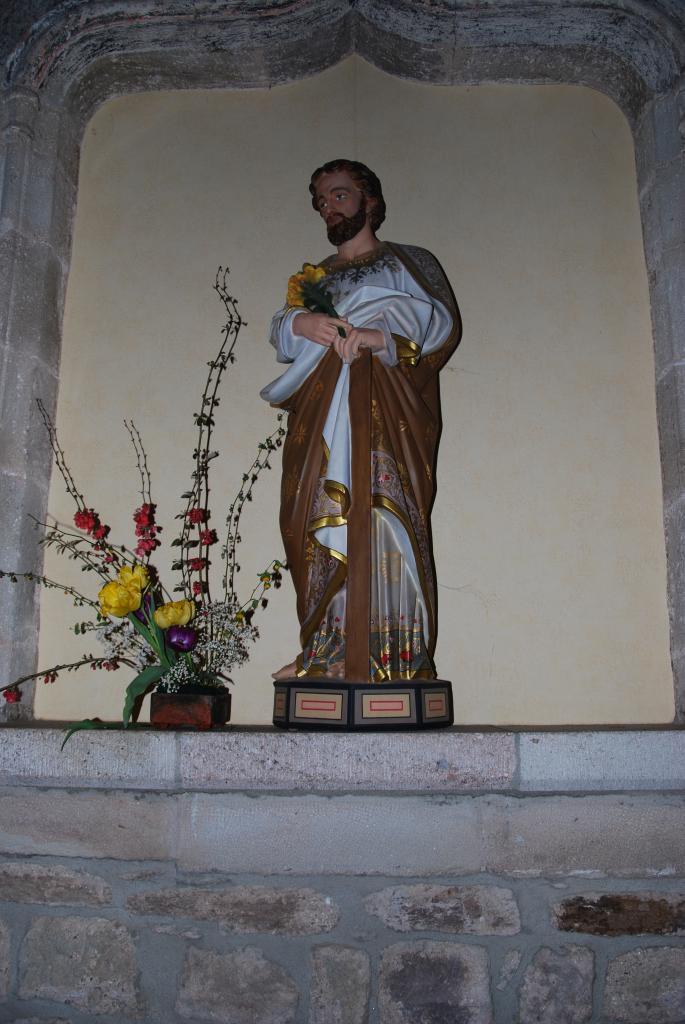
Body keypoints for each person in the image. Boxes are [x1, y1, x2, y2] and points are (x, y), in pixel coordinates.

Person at [261, 159, 461, 683]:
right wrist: (302, 321)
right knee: (314, 521)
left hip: (386, 413)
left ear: (369, 201)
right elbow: (282, 334)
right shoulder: (314, 278)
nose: (330, 207)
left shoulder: (408, 262)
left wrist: (380, 340)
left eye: (340, 195)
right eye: (322, 201)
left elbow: (439, 324)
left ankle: (394, 657)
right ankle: (324, 652)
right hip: (322, 418)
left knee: (380, 517)